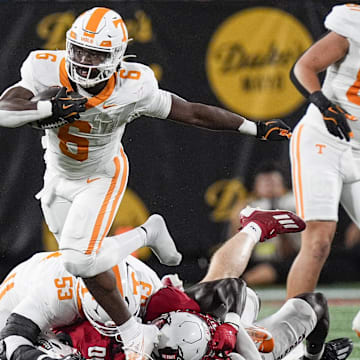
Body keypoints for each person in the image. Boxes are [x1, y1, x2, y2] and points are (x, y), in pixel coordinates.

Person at [0, 6, 292, 358]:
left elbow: (192, 111)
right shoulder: (44, 66)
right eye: (79, 50)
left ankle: (141, 264)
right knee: (83, 267)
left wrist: (253, 127)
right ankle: (132, 323)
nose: (84, 60)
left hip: (101, 175)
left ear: (117, 57)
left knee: (79, 261)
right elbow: (6, 109)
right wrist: (49, 109)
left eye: (95, 54)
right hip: (58, 175)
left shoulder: (132, 86)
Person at [0, 208, 352, 360]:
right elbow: (11, 339)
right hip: (21, 313)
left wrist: (232, 328)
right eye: (109, 321)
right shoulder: (54, 292)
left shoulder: (141, 287)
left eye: (123, 316)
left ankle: (254, 228)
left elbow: (227, 290)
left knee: (215, 300)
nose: (118, 327)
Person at [286, 3, 360, 299]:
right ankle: (292, 335)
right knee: (318, 241)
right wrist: (322, 102)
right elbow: (303, 66)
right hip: (325, 139)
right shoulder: (353, 25)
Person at [227, 162, 299, 286]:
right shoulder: (249, 206)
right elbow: (235, 246)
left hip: (284, 261)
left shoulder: (293, 204)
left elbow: (291, 252)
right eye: (265, 184)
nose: (270, 188)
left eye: (274, 184)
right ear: (256, 187)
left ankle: (238, 285)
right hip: (254, 260)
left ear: (283, 186)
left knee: (266, 272)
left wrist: (278, 223)